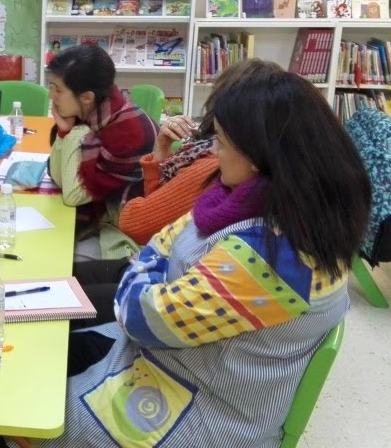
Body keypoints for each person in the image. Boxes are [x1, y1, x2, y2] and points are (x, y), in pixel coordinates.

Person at [48, 64, 370, 447]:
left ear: (258, 155)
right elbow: (166, 238)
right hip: (184, 363)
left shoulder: (273, 258)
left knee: (32, 405)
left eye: (221, 141)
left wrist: (147, 268)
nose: (213, 151)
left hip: (197, 409)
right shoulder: (278, 204)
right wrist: (153, 266)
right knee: (47, 349)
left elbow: (140, 316)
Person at [119, 59, 279, 246]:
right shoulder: (254, 165)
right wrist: (162, 148)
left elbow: (135, 223)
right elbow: (161, 205)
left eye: (221, 141)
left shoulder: (213, 165)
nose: (215, 149)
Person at [45, 44, 157, 273]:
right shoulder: (93, 114)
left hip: (122, 230)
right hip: (101, 214)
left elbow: (72, 196)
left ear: (87, 97)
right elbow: (58, 177)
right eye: (51, 86)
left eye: (58, 90)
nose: (51, 96)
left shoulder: (128, 131)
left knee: (52, 263)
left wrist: (73, 133)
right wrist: (64, 132)